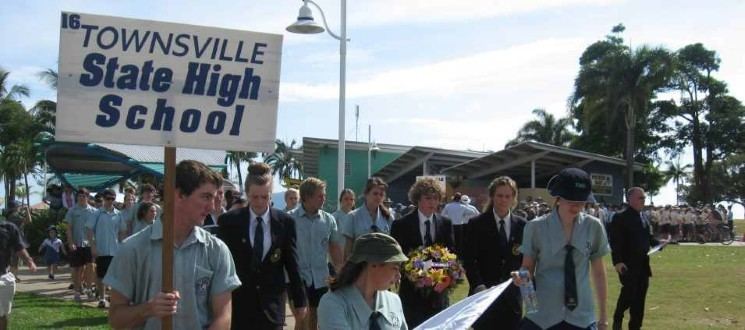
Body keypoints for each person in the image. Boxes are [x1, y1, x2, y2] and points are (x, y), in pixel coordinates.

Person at [103, 160, 241, 329]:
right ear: (179, 194)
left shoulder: (217, 250)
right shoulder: (132, 249)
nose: (212, 207)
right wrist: (148, 309)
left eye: (213, 198)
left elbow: (223, 317)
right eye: (206, 197)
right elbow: (116, 319)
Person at [514, 168, 610, 330]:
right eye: (571, 201)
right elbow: (527, 268)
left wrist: (603, 317)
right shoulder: (535, 227)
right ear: (558, 199)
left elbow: (599, 272)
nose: (577, 206)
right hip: (542, 318)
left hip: (582, 317)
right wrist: (528, 302)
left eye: (581, 202)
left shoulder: (594, 226)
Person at [218, 163, 307, 329]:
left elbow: (292, 263)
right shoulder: (229, 222)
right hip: (239, 306)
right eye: (254, 197)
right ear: (247, 193)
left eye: (265, 197)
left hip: (272, 307)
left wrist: (300, 300)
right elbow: (221, 266)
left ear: (271, 194)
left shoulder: (285, 222)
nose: (259, 202)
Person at [462, 176, 526, 330]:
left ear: (513, 198)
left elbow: (527, 261)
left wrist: (523, 277)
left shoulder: (523, 226)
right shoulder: (476, 224)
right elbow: (469, 260)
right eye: (499, 195)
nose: (503, 200)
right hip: (483, 298)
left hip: (512, 298)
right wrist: (478, 286)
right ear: (492, 196)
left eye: (507, 196)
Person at [391, 177, 454, 328]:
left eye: (435, 198)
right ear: (417, 199)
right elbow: (397, 258)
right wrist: (417, 272)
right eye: (428, 198)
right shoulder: (401, 225)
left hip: (438, 294)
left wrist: (439, 271)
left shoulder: (446, 223)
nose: (432, 202)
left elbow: (452, 254)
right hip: (412, 295)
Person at [317, 232, 408, 330]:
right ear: (374, 264)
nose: (399, 276)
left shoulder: (394, 301)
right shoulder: (333, 304)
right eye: (395, 268)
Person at [288, 177, 344, 330]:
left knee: (315, 320)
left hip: (321, 278)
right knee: (302, 318)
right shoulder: (289, 219)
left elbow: (335, 248)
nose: (323, 199)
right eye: (320, 196)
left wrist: (341, 272)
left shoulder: (329, 220)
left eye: (324, 195)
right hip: (297, 278)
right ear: (306, 197)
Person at [608, 187, 663, 330]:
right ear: (630, 199)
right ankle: (618, 318)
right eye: (641, 198)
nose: (643, 200)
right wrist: (617, 261)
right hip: (627, 264)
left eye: (644, 198)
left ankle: (635, 326)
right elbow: (615, 241)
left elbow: (648, 237)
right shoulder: (620, 217)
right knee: (628, 294)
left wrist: (658, 244)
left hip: (643, 264)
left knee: (640, 299)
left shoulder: (643, 216)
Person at [87, 189, 126, 308]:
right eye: (108, 198)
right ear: (103, 199)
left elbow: (122, 231)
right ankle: (102, 298)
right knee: (101, 275)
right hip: (101, 249)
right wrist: (93, 246)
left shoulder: (119, 214)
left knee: (114, 275)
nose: (110, 201)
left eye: (112, 199)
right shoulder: (97, 213)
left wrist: (122, 245)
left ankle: (113, 298)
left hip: (115, 250)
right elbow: (89, 230)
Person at [342, 177, 393, 259]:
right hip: (360, 266)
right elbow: (347, 250)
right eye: (375, 193)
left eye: (381, 195)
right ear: (366, 194)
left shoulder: (388, 217)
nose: (378, 197)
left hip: (382, 266)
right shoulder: (352, 217)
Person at [0, 217, 37, 330]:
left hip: (3, 276)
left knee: (2, 314)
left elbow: (19, 247)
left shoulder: (8, 227)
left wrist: (29, 261)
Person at [65, 188, 97, 302]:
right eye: (80, 196)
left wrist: (95, 244)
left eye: (84, 196)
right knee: (77, 269)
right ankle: (77, 291)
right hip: (76, 243)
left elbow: (96, 229)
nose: (82, 198)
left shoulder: (94, 211)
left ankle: (89, 289)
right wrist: (70, 242)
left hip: (89, 244)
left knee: (91, 267)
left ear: (88, 197)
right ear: (77, 197)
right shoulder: (72, 211)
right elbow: (68, 228)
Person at [3, 201, 31, 281]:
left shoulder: (10, 216)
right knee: (14, 259)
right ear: (15, 208)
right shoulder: (14, 216)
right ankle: (11, 277)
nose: (19, 207)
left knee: (15, 259)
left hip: (11, 240)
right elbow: (29, 220)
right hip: (14, 241)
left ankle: (14, 276)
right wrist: (27, 210)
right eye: (18, 206)